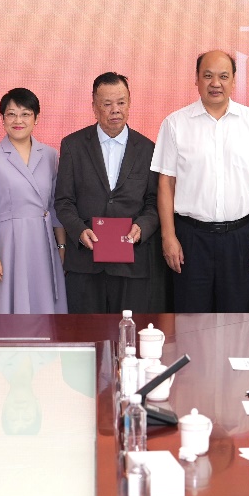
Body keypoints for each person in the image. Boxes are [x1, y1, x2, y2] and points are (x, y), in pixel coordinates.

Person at [152, 51, 249, 313]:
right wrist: (168, 236)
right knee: (190, 323)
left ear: (234, 80)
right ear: (196, 79)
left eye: (223, 76)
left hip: (240, 239)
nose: (215, 83)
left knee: (235, 321)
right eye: (208, 76)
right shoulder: (175, 123)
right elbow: (166, 184)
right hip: (190, 239)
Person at [54, 72, 159, 314]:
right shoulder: (72, 145)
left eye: (121, 102)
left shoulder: (148, 148)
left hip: (132, 261)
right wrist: (79, 231)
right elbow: (64, 201)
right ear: (94, 107)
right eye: (107, 104)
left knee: (129, 333)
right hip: (85, 262)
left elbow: (153, 202)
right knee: (85, 333)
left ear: (129, 104)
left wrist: (142, 227)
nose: (115, 110)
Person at [0, 88, 68, 314]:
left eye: (25, 114)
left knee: (43, 307)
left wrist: (61, 247)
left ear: (36, 118)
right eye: (11, 114)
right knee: (7, 310)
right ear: (2, 118)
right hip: (7, 244)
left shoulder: (50, 155)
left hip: (43, 242)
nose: (18, 121)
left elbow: (55, 205)